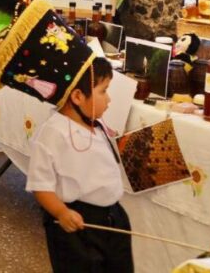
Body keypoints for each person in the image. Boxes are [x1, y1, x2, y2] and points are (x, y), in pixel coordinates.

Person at [26, 59, 132, 272]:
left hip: (113, 219)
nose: (109, 99)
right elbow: (41, 185)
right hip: (78, 223)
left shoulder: (95, 124)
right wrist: (61, 212)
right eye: (103, 91)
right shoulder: (53, 134)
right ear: (77, 96)